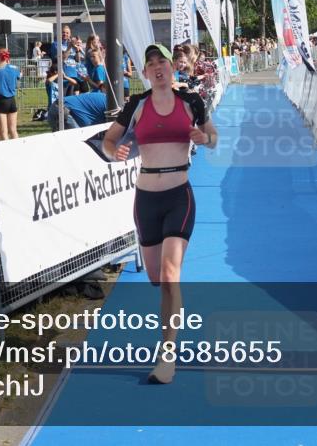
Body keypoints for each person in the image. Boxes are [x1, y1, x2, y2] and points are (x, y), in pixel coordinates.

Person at [101, 43, 218, 385]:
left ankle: (167, 355)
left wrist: (205, 138)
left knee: (170, 274)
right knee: (156, 278)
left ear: (172, 66)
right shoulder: (136, 105)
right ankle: (169, 327)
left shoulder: (190, 101)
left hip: (179, 196)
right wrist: (115, 152)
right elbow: (109, 141)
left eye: (161, 61)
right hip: (146, 199)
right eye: (150, 63)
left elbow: (213, 136)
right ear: (146, 72)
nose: (157, 67)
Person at [0, 48, 20, 140]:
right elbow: (18, 77)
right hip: (12, 100)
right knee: (13, 130)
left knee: (3, 132)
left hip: (1, 100)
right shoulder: (14, 68)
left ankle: (6, 152)